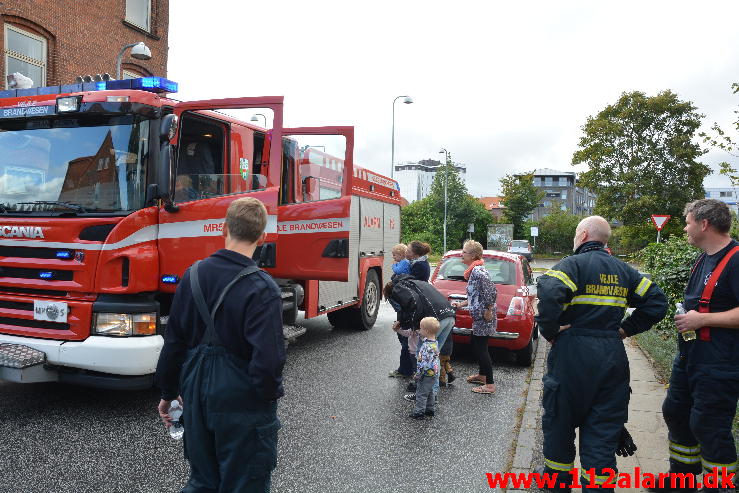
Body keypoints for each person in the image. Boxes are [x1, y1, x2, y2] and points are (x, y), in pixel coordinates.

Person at [155, 197, 286, 493]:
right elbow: (268, 361)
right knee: (245, 484)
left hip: (197, 398)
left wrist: (168, 393)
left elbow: (174, 340)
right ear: (262, 236)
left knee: (203, 482)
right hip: (242, 404)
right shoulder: (263, 289)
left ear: (224, 228)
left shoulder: (193, 275)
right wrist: (265, 404)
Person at [536, 216, 667, 491]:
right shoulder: (625, 271)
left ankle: (556, 483)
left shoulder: (572, 266)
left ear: (583, 235)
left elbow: (548, 293)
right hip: (611, 357)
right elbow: (657, 303)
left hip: (572, 355)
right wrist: (624, 330)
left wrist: (550, 330)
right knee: (603, 431)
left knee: (560, 424)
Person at [649, 199, 739, 493]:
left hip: (720, 363)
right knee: (676, 411)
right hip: (690, 358)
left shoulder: (736, 260)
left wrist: (702, 320)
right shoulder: (704, 257)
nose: (685, 228)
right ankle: (681, 480)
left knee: (710, 425)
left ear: (704, 224)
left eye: (688, 222)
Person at [384, 274, 456, 402]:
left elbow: (413, 304)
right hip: (449, 316)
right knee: (434, 357)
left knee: (421, 357)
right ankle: (432, 395)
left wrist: (409, 324)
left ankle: (420, 393)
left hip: (435, 319)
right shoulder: (415, 282)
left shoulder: (398, 289)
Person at [450, 240, 497, 395]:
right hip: (479, 316)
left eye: (464, 252)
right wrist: (461, 304)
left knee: (482, 349)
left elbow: (491, 292)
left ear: (473, 255)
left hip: (484, 316)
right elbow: (475, 296)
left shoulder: (478, 272)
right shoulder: (474, 271)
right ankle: (482, 376)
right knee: (477, 345)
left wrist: (489, 309)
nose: (461, 254)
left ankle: (489, 385)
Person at [410, 317, 441, 419]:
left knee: (421, 393)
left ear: (426, 331)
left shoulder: (426, 347)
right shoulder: (434, 342)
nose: (419, 330)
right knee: (430, 391)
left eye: (421, 328)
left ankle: (419, 412)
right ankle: (430, 409)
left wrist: (418, 374)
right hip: (434, 373)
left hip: (426, 373)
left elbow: (424, 363)